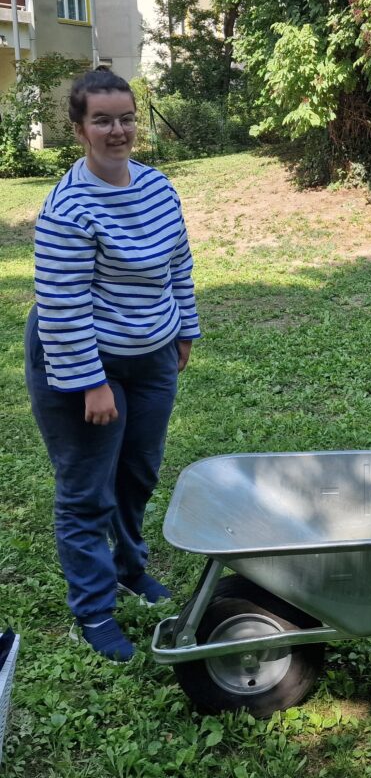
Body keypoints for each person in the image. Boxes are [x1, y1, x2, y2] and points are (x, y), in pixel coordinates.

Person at [24, 69, 201, 661]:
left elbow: (179, 261)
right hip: (82, 360)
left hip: (151, 353)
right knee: (85, 490)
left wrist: (184, 331)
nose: (117, 129)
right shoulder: (67, 206)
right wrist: (91, 384)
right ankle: (93, 610)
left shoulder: (156, 187)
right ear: (79, 129)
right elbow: (62, 304)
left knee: (139, 472)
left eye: (125, 117)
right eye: (102, 120)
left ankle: (130, 567)